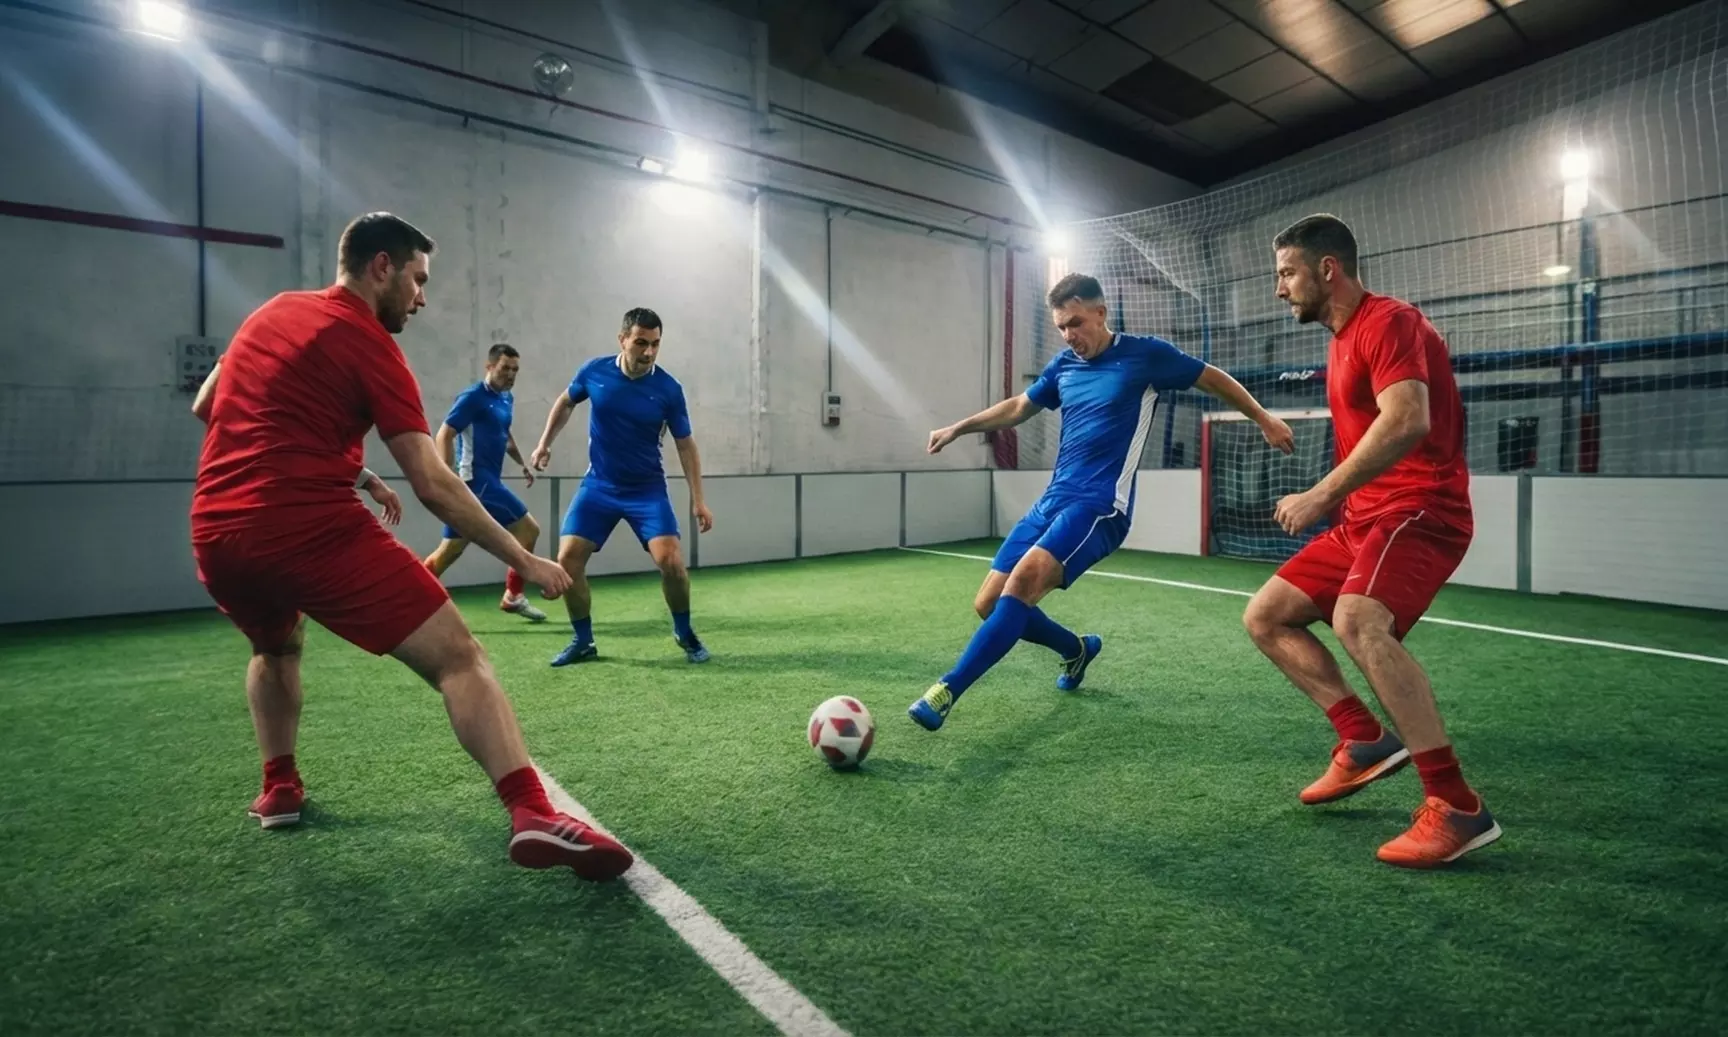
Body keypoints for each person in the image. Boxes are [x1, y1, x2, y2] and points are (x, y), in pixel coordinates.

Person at [190, 211, 632, 882]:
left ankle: (279, 785)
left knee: (275, 644)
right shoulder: (371, 344)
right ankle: (532, 810)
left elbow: (207, 403)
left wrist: (354, 469)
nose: (422, 297)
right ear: (381, 268)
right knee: (459, 656)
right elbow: (432, 482)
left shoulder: (271, 313)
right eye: (418, 280)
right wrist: (525, 558)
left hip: (217, 529)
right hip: (306, 526)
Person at [908, 272, 1293, 731]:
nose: (1070, 336)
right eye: (1061, 328)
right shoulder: (1064, 366)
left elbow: (1212, 379)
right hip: (1053, 499)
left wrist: (1263, 417)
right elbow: (1019, 407)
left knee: (1021, 586)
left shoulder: (1145, 355)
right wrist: (958, 427)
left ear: (1100, 313)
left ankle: (947, 690)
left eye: (1075, 323)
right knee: (989, 603)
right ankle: (1076, 649)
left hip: (1100, 507)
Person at [1242, 213, 1500, 869]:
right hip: (1366, 520)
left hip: (1422, 506)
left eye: (1287, 273)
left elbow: (1409, 419)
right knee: (1266, 615)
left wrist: (1320, 494)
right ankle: (1362, 741)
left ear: (1328, 269)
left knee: (1360, 621)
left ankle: (1457, 805)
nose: (1280, 290)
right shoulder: (1340, 338)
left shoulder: (1389, 321)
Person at [531, 307, 714, 667]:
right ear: (623, 340)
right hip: (598, 485)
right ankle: (583, 641)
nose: (648, 353)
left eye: (656, 345)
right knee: (568, 559)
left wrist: (699, 500)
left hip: (646, 489)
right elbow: (566, 401)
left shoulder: (668, 388)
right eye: (641, 343)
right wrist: (544, 443)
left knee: (672, 562)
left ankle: (683, 631)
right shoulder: (594, 371)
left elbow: (685, 444)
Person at [421, 343, 548, 623]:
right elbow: (445, 434)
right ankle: (513, 595)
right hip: (475, 482)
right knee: (528, 530)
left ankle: (407, 598)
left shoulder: (506, 399)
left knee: (450, 549)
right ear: (489, 367)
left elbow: (504, 434)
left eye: (515, 370)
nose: (511, 375)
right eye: (505, 368)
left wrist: (521, 464)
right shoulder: (472, 397)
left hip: (485, 482)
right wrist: (447, 478)